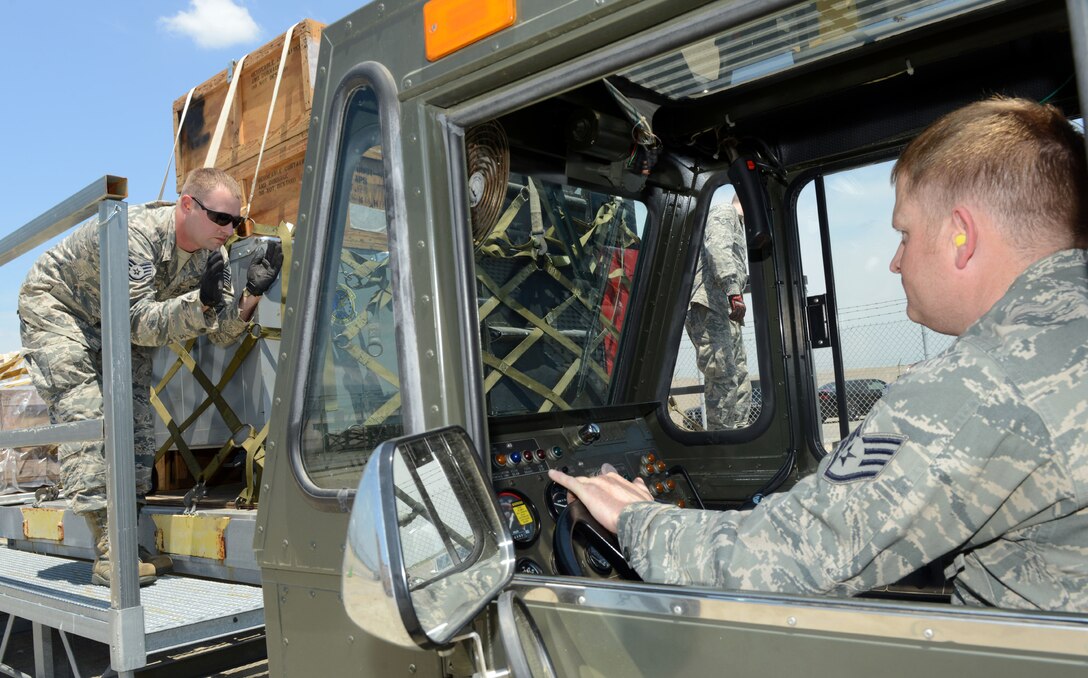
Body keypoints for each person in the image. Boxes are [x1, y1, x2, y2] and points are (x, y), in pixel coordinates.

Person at [550, 96, 1088, 612]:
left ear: (960, 238)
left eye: (904, 233)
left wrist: (635, 519)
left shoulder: (982, 383)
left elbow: (791, 561)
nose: (896, 262)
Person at [18, 168, 283, 586]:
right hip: (62, 312)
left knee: (138, 427)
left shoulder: (211, 254)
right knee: (89, 413)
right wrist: (202, 303)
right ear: (187, 206)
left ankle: (129, 541)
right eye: (220, 218)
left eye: (235, 221)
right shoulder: (136, 235)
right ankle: (111, 552)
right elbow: (139, 322)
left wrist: (250, 293)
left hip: (120, 324)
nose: (228, 230)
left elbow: (222, 334)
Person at [686, 194, 751, 429]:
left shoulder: (738, 225)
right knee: (722, 377)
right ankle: (722, 442)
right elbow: (717, 249)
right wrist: (734, 291)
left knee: (740, 377)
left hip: (725, 310)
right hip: (710, 307)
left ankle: (741, 431)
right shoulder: (724, 212)